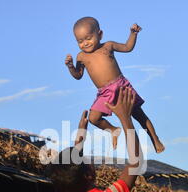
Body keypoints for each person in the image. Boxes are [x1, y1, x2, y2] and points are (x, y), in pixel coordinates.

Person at [65, 17, 165, 153]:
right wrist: (71, 67)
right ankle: (113, 130)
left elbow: (127, 47)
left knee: (139, 115)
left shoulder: (108, 46)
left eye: (88, 38)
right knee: (93, 118)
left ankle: (155, 138)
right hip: (104, 93)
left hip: (121, 86)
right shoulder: (81, 57)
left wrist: (133, 34)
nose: (85, 43)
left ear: (99, 35)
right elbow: (78, 75)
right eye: (80, 41)